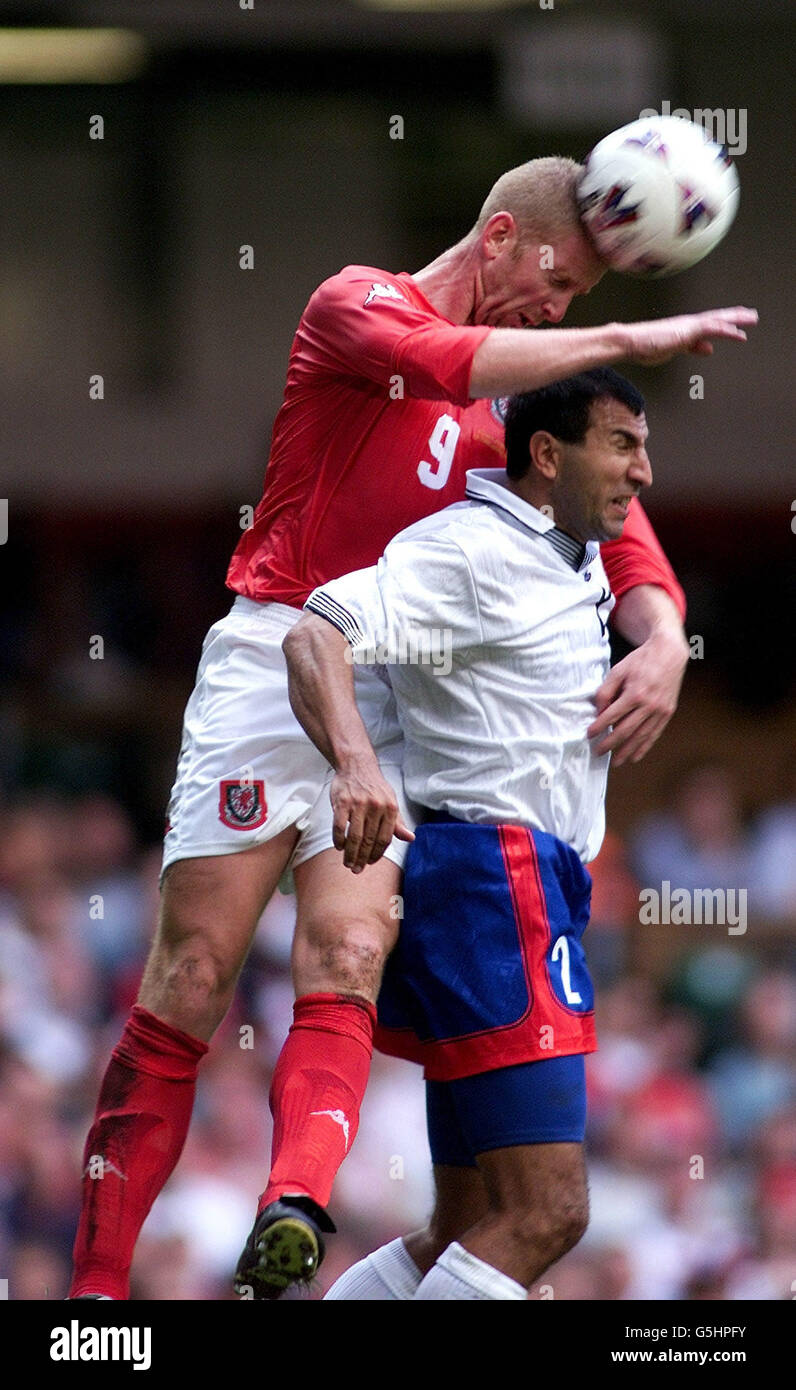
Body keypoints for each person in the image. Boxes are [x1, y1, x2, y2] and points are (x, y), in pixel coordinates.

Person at [67, 154, 755, 1301]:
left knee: (345, 953)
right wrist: (630, 343)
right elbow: (451, 358)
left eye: (586, 302)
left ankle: (291, 1209)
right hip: (272, 649)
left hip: (381, 691)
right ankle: (91, 1301)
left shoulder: (511, 423)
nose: (564, 309)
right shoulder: (357, 306)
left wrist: (662, 639)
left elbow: (616, 530)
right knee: (191, 975)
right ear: (495, 238)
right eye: (559, 281)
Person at [286, 368, 657, 1300]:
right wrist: (357, 764)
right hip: (500, 884)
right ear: (545, 454)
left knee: (466, 1221)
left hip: (517, 884)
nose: (644, 471)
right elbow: (314, 631)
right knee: (550, 1214)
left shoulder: (569, 553)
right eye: (622, 444)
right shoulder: (470, 548)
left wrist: (663, 647)